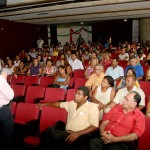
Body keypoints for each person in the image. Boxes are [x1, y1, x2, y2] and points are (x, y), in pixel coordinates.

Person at [0, 69, 14, 148]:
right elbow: (11, 95)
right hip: (2, 110)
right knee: (6, 133)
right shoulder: (1, 80)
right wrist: (3, 79)